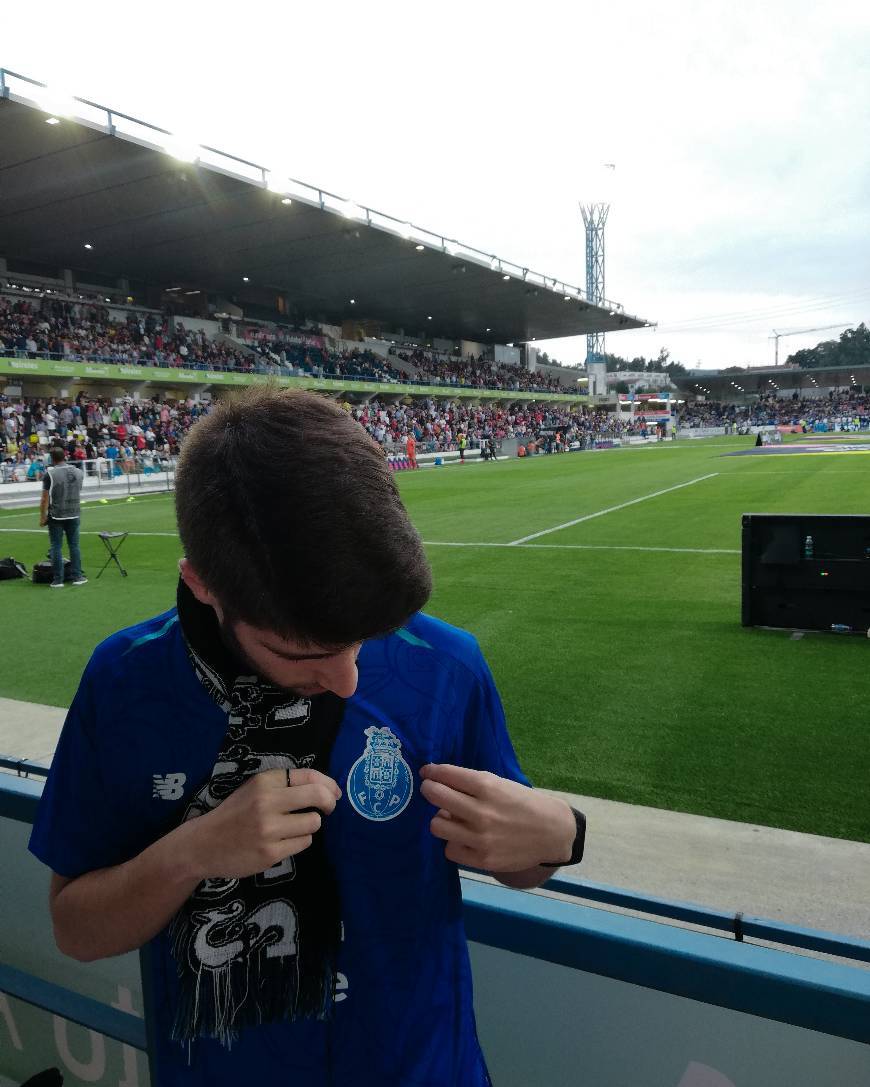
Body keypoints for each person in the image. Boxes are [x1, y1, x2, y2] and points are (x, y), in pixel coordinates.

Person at [28, 388, 584, 1087]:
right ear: (203, 587)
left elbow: (518, 858)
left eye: (361, 641)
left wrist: (561, 834)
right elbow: (76, 930)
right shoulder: (125, 681)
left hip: (427, 1070)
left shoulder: (446, 665)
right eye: (302, 653)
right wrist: (194, 850)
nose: (348, 680)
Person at [39, 447, 87, 588]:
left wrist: (42, 516)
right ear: (65, 456)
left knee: (56, 546)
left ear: (52, 459)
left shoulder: (50, 474)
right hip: (74, 512)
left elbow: (44, 499)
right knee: (74, 546)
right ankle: (77, 576)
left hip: (57, 514)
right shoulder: (79, 472)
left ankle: (58, 580)